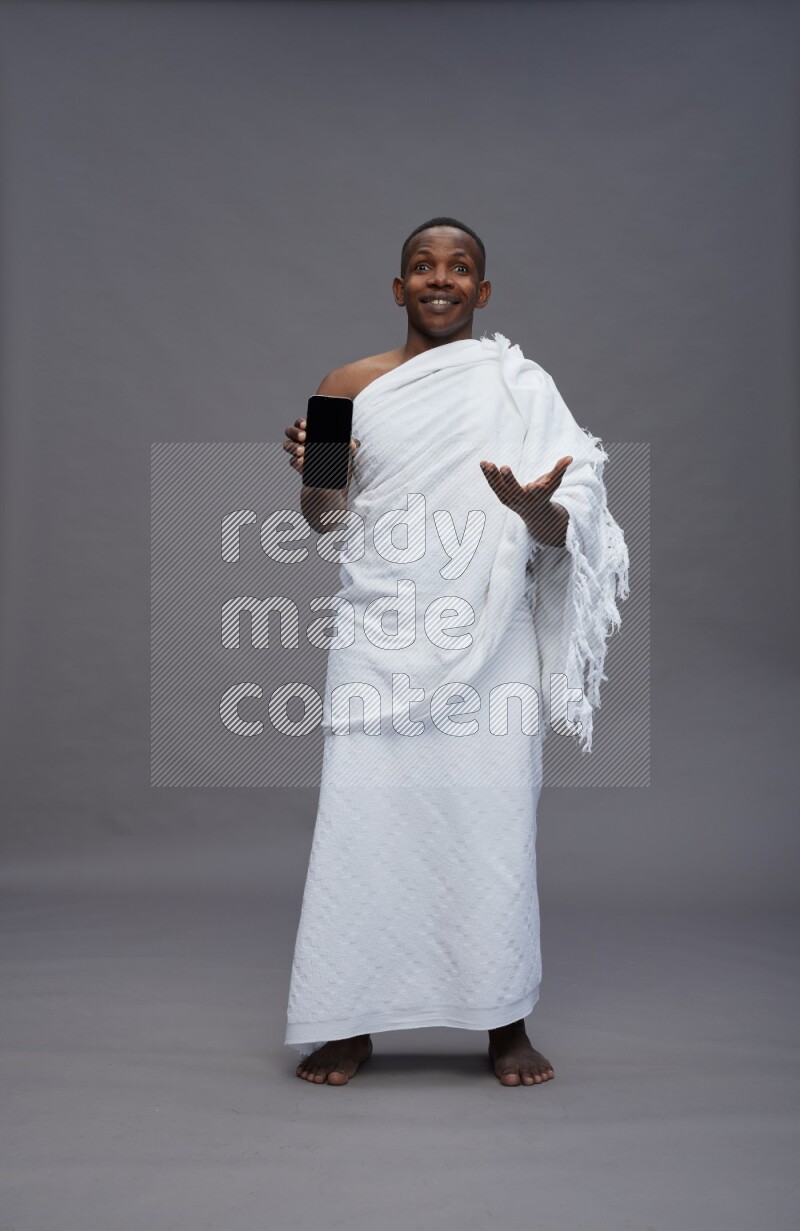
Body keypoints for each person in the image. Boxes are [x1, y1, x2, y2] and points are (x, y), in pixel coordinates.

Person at [282, 216, 628, 1086]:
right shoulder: (345, 386)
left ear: (483, 290)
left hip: (491, 639)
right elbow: (323, 522)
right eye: (423, 266)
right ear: (399, 288)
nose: (442, 278)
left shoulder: (519, 387)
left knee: (493, 819)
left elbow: (562, 528)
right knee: (363, 824)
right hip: (379, 631)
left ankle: (504, 1020)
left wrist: (532, 511)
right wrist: (319, 472)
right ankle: (348, 1022)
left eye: (460, 266)